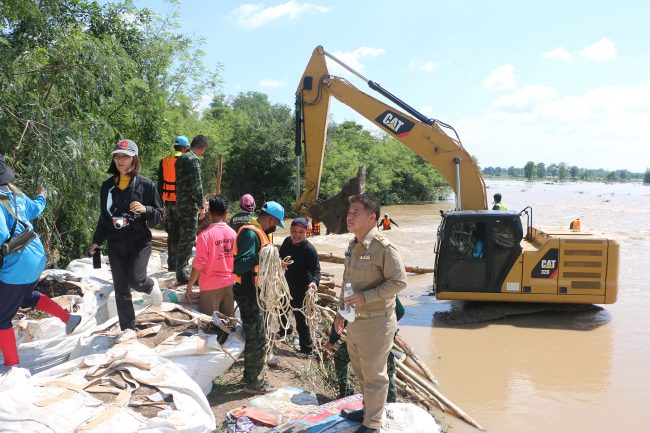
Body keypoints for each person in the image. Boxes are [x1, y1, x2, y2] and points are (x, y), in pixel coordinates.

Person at [0, 157, 82, 371]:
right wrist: (42, 196)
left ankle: (11, 367)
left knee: (1, 318)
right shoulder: (15, 193)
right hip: (36, 255)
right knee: (27, 296)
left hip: (19, 262)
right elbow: (35, 208)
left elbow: (0, 234)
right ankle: (69, 318)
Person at [334, 194, 407, 433]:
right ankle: (368, 411)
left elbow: (398, 282)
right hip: (355, 321)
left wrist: (366, 297)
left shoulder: (383, 248)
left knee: (375, 374)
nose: (350, 216)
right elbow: (347, 282)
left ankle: (373, 424)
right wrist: (340, 313)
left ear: (372, 217)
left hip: (377, 322)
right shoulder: (353, 245)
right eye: (349, 212)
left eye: (356, 212)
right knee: (361, 371)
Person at [89, 140, 163, 343]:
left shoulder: (146, 184)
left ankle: (149, 285)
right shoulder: (107, 186)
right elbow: (104, 217)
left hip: (140, 240)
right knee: (121, 287)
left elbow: (159, 215)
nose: (120, 160)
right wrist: (97, 241)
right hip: (115, 242)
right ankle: (128, 328)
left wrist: (145, 209)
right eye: (117, 156)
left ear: (134, 159)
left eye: (125, 156)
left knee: (135, 279)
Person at [232, 201, 285, 394]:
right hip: (248, 293)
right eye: (276, 224)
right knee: (258, 337)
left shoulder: (258, 233)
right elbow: (239, 265)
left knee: (256, 335)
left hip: (254, 291)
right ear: (271, 219)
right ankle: (253, 382)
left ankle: (250, 377)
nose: (275, 228)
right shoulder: (250, 234)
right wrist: (262, 256)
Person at [326, 296, 404, 401]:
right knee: (385, 368)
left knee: (341, 357)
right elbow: (400, 311)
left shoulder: (357, 285)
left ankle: (346, 392)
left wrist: (332, 340)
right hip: (380, 334)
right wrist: (387, 323)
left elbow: (344, 315)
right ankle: (389, 404)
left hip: (367, 335)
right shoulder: (385, 286)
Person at [186, 196, 237, 317]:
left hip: (210, 287)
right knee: (229, 326)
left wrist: (189, 287)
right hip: (229, 284)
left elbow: (198, 264)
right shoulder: (233, 234)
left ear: (209, 213)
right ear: (226, 213)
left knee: (209, 327)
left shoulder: (204, 236)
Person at [278, 217, 320, 356]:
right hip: (286, 283)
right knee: (280, 308)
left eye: (300, 232)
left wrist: (314, 282)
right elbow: (280, 257)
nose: (296, 235)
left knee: (300, 318)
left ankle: (307, 348)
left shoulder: (310, 250)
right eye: (293, 231)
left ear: (306, 232)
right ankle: (285, 330)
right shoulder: (287, 242)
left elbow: (316, 270)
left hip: (302, 287)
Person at [174, 135, 209, 284]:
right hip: (189, 205)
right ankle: (182, 274)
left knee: (183, 237)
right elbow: (197, 185)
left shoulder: (181, 158)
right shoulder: (193, 160)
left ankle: (180, 270)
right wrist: (202, 206)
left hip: (180, 203)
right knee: (188, 240)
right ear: (202, 148)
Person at [158, 135, 190, 273]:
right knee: (182, 233)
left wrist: (160, 203)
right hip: (181, 202)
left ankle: (171, 264)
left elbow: (160, 184)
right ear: (184, 148)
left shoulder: (164, 161)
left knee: (171, 233)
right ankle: (180, 266)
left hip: (168, 201)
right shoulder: (185, 161)